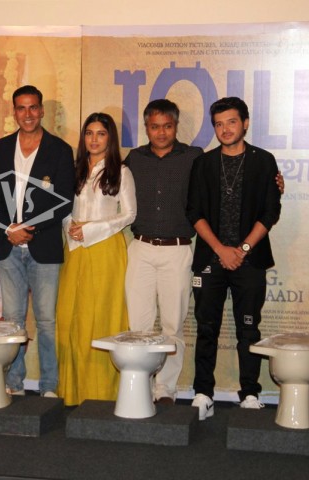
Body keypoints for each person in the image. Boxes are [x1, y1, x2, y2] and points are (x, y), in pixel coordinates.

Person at [187, 97, 281, 420]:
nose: (225, 129)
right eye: (218, 124)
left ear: (245, 123)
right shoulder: (203, 163)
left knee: (249, 329)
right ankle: (203, 393)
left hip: (249, 260)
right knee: (206, 328)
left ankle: (250, 393)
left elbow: (271, 212)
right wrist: (221, 250)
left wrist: (242, 250)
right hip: (210, 258)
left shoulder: (264, 161)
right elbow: (194, 212)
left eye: (231, 122)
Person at [0, 85, 75, 397]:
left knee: (47, 321)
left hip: (44, 246)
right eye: (21, 108)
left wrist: (29, 228)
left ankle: (49, 385)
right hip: (8, 245)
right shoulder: (0, 148)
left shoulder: (60, 150)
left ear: (42, 111)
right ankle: (14, 382)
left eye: (33, 107)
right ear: (14, 112)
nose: (28, 114)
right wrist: (9, 228)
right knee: (13, 320)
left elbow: (64, 202)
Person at [123, 99, 203, 405]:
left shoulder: (193, 157)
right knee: (139, 325)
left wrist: (272, 182)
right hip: (141, 249)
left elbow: (219, 182)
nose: (161, 132)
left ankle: (165, 388)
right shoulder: (134, 158)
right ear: (146, 127)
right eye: (155, 126)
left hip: (177, 250)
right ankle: (141, 385)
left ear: (176, 126)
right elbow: (106, 185)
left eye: (167, 126)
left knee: (172, 325)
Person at [56, 113, 136, 405]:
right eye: (89, 133)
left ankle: (101, 394)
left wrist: (90, 229)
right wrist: (71, 226)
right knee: (70, 317)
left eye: (101, 134)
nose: (94, 139)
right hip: (75, 250)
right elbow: (63, 207)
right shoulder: (74, 169)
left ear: (110, 138)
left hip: (105, 250)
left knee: (101, 317)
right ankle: (72, 393)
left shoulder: (121, 172)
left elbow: (129, 214)